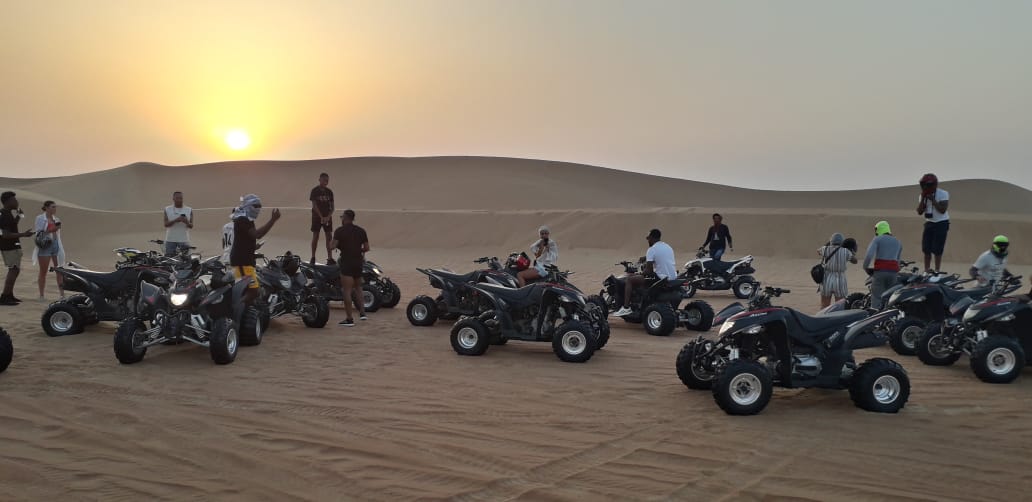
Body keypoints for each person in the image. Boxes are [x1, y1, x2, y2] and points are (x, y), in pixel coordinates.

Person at [229, 194, 281, 305]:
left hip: (245, 260)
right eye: (255, 205)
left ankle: (245, 310)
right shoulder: (242, 219)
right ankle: (237, 309)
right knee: (253, 291)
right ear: (248, 205)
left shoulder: (247, 219)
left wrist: (254, 247)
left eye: (259, 206)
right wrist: (273, 220)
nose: (258, 208)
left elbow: (245, 239)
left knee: (248, 290)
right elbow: (257, 234)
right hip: (242, 262)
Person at [612, 228, 677, 317]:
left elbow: (648, 271)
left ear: (653, 238)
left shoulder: (652, 249)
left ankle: (626, 308)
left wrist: (640, 273)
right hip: (672, 277)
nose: (647, 240)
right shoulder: (667, 247)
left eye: (648, 238)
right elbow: (659, 256)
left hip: (660, 278)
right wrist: (645, 257)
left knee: (630, 280)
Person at [331, 209, 369, 327]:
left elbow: (333, 246)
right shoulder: (361, 231)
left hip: (346, 262)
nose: (341, 219)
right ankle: (362, 313)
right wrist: (358, 250)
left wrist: (331, 243)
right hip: (358, 262)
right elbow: (367, 248)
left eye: (342, 217)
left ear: (345, 218)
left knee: (346, 290)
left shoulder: (339, 231)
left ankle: (349, 319)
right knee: (358, 287)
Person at [0, 192, 34, 305]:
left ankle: (9, 295)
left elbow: (11, 226)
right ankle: (5, 297)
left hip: (11, 246)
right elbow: (5, 234)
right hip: (9, 246)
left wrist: (19, 216)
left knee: (15, 270)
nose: (17, 202)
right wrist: (24, 234)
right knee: (13, 269)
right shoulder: (4, 214)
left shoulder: (6, 213)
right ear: (8, 201)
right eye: (14, 200)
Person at [862, 221, 903, 310]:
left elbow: (869, 255)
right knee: (890, 300)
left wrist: (865, 267)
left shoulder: (877, 239)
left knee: (877, 299)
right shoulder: (898, 242)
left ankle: (876, 321)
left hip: (880, 272)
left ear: (879, 229)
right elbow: (898, 262)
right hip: (893, 274)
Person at [916, 173, 949, 272]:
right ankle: (927, 270)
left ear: (934, 185)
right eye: (924, 185)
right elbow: (919, 212)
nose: (926, 187)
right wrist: (923, 199)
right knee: (926, 249)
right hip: (929, 222)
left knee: (937, 249)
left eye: (928, 185)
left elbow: (942, 210)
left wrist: (933, 200)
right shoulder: (922, 195)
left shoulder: (943, 194)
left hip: (941, 223)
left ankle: (937, 270)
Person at [33, 201, 65, 300]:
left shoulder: (56, 219)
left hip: (55, 245)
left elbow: (57, 232)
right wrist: (53, 229)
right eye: (52, 207)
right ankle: (41, 295)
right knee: (43, 271)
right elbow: (39, 232)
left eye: (55, 207)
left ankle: (62, 295)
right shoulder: (40, 218)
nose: (54, 209)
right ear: (46, 208)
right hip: (45, 245)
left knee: (59, 270)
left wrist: (56, 228)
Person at [817, 233, 857, 308]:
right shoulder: (846, 251)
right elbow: (855, 261)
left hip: (826, 279)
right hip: (840, 279)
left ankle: (823, 318)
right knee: (839, 306)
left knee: (824, 305)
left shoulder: (825, 249)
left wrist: (828, 245)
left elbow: (818, 251)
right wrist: (851, 252)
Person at [310, 173, 335, 265]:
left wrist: (327, 217)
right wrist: (321, 217)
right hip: (316, 217)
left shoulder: (329, 192)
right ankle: (313, 257)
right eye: (324, 180)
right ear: (319, 179)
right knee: (315, 236)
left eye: (327, 180)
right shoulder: (314, 191)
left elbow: (332, 207)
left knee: (329, 237)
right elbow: (314, 205)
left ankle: (330, 257)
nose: (326, 182)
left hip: (327, 217)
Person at [162, 191, 193, 256]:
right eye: (177, 198)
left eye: (181, 198)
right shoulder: (167, 209)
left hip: (184, 240)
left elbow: (191, 226)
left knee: (186, 260)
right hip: (170, 240)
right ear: (173, 199)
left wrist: (186, 222)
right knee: (169, 260)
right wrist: (176, 220)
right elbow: (166, 224)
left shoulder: (189, 209)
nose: (179, 200)